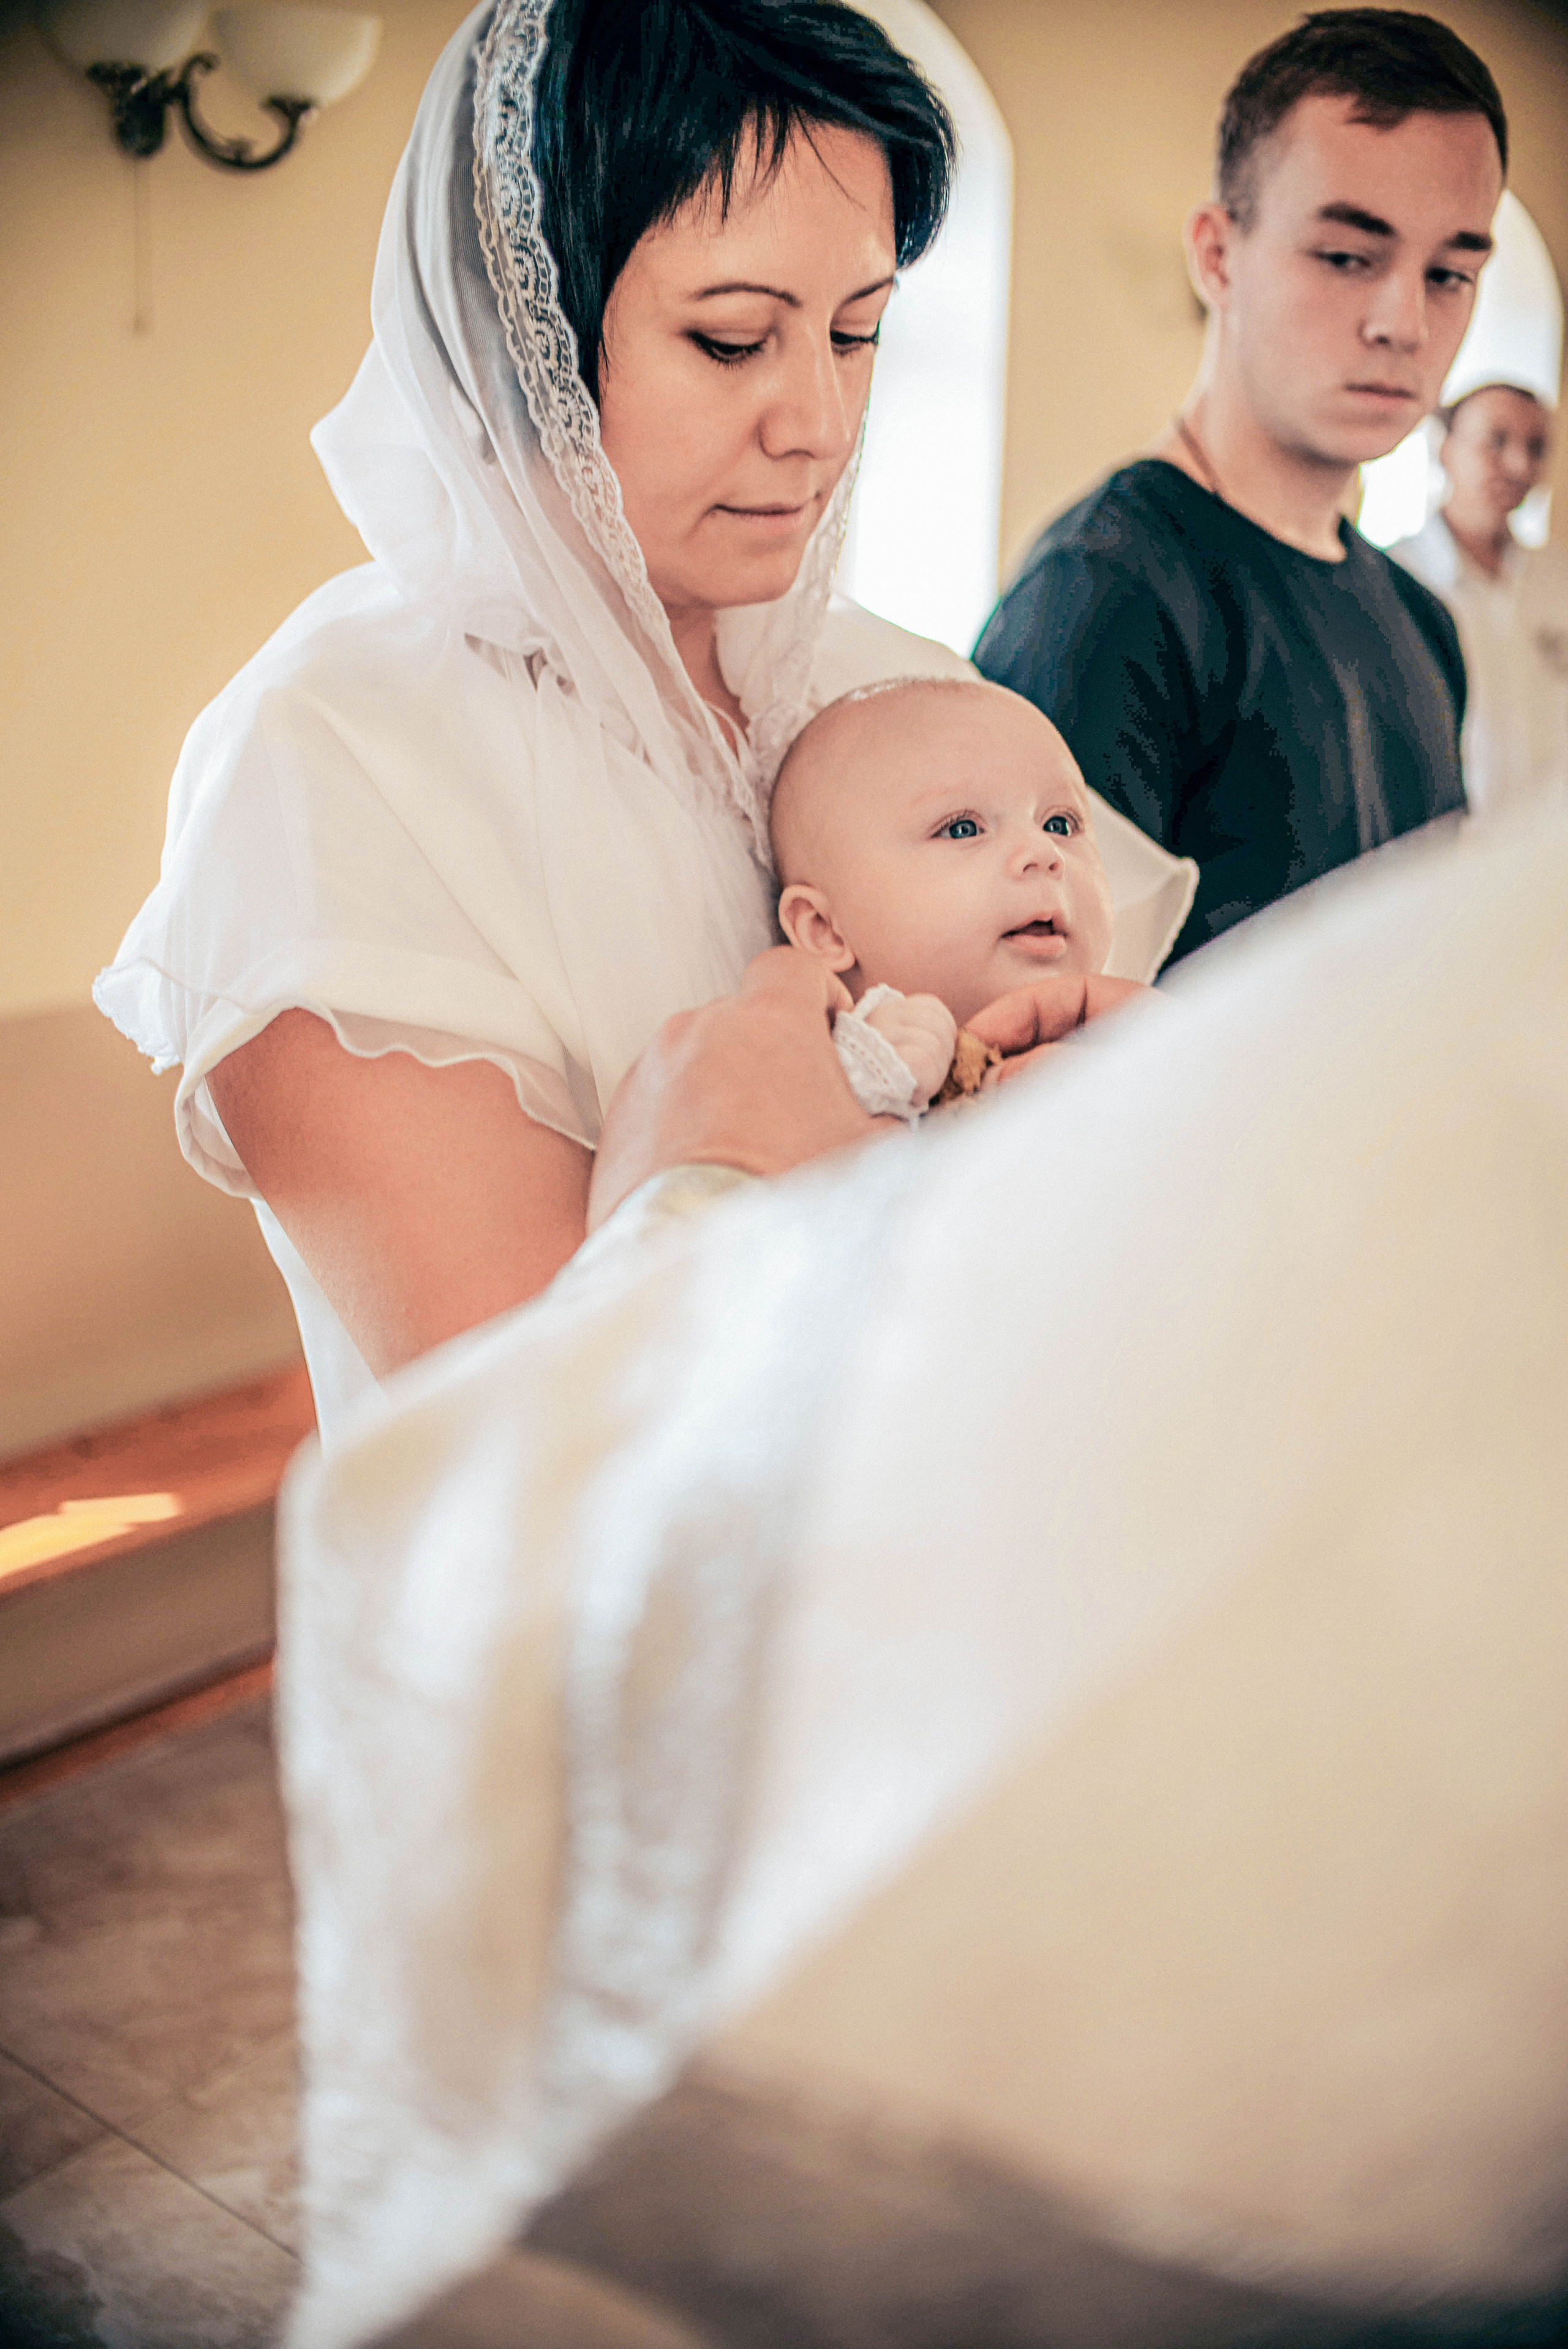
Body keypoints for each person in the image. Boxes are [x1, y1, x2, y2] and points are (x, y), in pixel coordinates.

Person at [93, 0, 1188, 1438]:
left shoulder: (889, 680)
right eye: (733, 340)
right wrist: (724, 1160)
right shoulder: (335, 756)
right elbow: (525, 1448)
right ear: (518, 322)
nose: (816, 421)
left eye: (856, 334)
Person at [973, 7, 1504, 966]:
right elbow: (1038, 1053)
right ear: (1218, 254)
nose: (1406, 324)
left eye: (1451, 273)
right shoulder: (1106, 595)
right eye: (1348, 256)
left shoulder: (1424, 621)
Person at [769, 676, 1147, 1118]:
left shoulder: (1134, 1035)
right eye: (962, 829)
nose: (1045, 854)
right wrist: (871, 1073)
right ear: (826, 929)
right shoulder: (843, 1071)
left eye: (1060, 824)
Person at [1391, 383, 1568, 815]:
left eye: (1536, 447)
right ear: (1446, 449)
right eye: (1497, 440)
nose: (1519, 464)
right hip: (1446, 851)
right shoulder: (1396, 578)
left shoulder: (1559, 579)